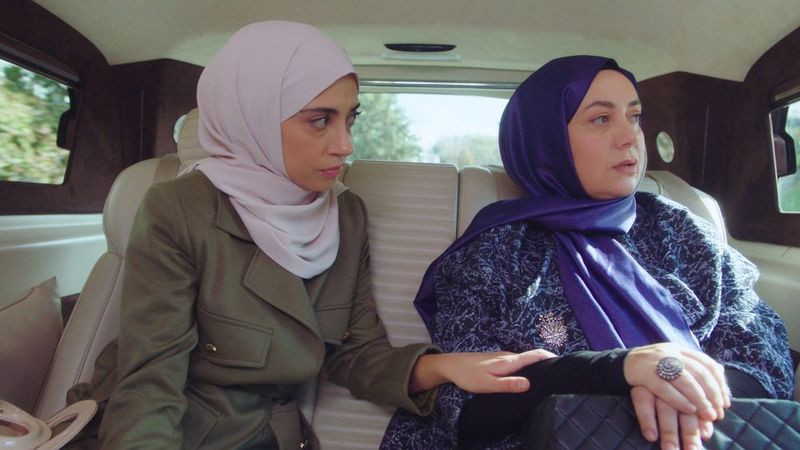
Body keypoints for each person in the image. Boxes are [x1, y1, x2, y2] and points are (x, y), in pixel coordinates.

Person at [71, 21, 552, 449]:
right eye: (320, 120)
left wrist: (447, 366)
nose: (345, 145)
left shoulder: (346, 213)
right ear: (253, 117)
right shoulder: (178, 208)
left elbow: (354, 352)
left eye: (350, 119)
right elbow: (151, 382)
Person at [380, 55, 794, 450]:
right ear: (547, 141)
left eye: (635, 116)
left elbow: (762, 353)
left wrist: (678, 390)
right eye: (601, 119)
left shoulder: (682, 230)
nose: (629, 136)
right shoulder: (492, 252)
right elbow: (468, 407)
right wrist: (619, 372)